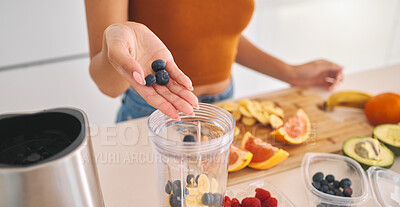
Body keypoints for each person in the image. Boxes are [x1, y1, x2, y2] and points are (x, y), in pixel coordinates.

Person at [84, 0, 343, 122]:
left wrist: (290, 73)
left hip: (224, 107)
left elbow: (214, 32)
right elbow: (108, 84)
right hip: (153, 110)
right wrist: (116, 42)